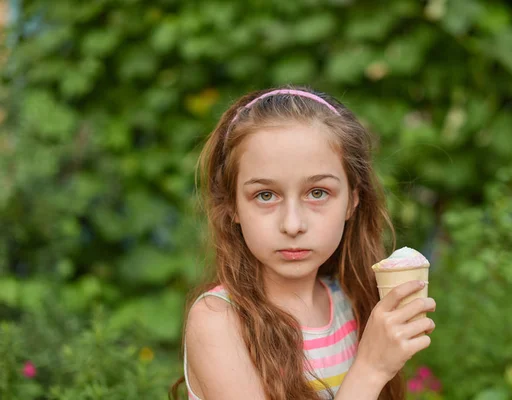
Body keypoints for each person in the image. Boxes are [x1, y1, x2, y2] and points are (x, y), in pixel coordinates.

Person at [171, 86, 436, 400]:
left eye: (318, 193)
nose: (293, 224)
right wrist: (371, 368)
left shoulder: (350, 302)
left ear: (353, 200)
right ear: (232, 206)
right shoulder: (219, 322)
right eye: (265, 195)